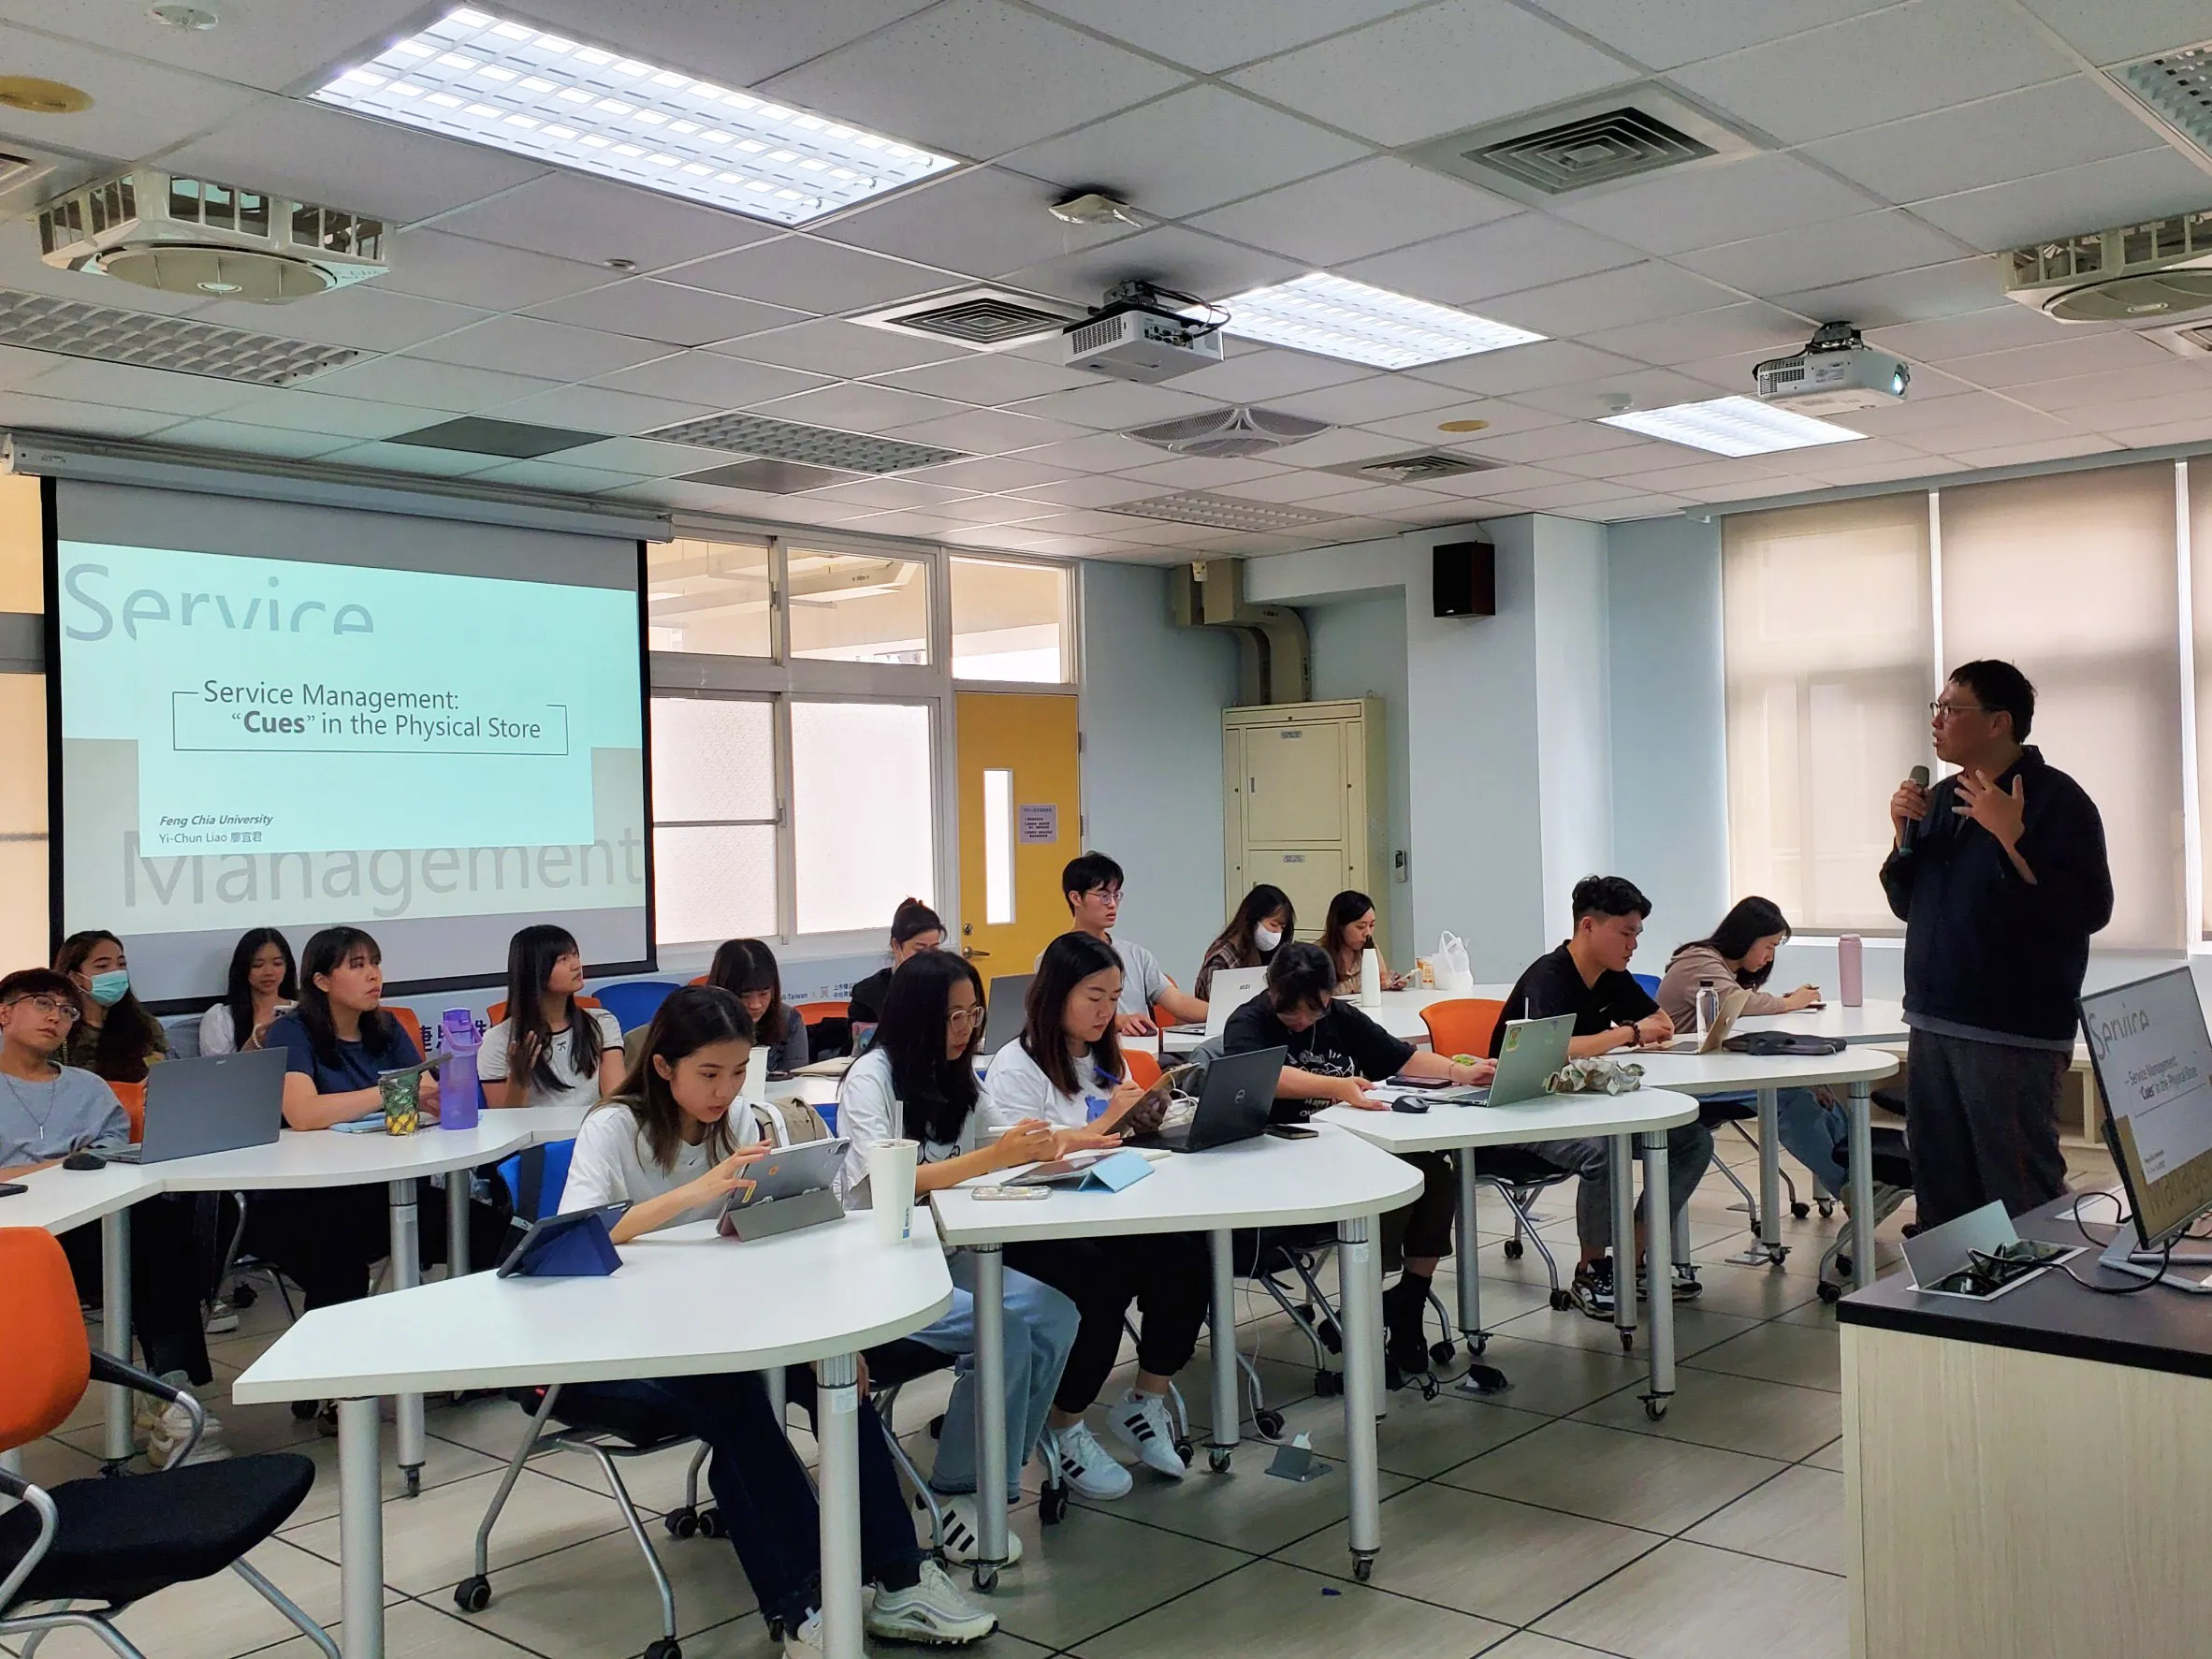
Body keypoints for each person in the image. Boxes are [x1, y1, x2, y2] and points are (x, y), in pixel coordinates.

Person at [562, 986, 995, 1655]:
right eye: (709, 1073)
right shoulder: (613, 1128)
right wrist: (696, 1192)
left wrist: (830, 1332)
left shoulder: (740, 1119)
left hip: (726, 1322)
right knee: (737, 1403)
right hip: (629, 1339)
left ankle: (902, 1581)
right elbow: (578, 1236)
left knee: (837, 1384)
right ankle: (804, 1607)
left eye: (739, 1071)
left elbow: (777, 1238)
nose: (725, 1090)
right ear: (663, 1067)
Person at [834, 950, 1078, 1563]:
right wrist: (995, 1157)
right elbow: (895, 1179)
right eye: (954, 1016)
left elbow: (1006, 1140)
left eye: (974, 1014)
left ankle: (1000, 1463)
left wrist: (1064, 1142)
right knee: (1006, 1331)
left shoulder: (959, 1075)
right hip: (878, 1264)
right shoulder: (871, 1078)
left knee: (1056, 1315)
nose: (967, 1028)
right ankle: (959, 1491)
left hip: (943, 1252)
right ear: (917, 1017)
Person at [1885, 660, 2112, 1228]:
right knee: (1940, 1184)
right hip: (1934, 1015)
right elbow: (1911, 906)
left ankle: (2045, 1288)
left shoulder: (2058, 799)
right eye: (1936, 708)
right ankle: (1956, 1286)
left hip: (2012, 1028)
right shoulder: (1941, 798)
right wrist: (1900, 836)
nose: (1937, 720)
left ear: (1997, 722)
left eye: (1951, 709)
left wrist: (2014, 836)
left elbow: (2089, 910)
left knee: (2020, 1187)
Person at [980, 930, 1202, 1497]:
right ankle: (1064, 1425)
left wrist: (1143, 1116)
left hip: (1105, 1205)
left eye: (1115, 997)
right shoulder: (1017, 1066)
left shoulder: (1102, 1054)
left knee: (1185, 1252)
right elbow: (1019, 1162)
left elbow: (1112, 1131)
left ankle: (1146, 1399)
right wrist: (1107, 1124)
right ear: (1056, 995)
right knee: (1102, 1281)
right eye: (1095, 997)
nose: (1107, 1011)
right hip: (1038, 1221)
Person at [1219, 942, 1493, 1380]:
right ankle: (1368, 1304)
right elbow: (1263, 1077)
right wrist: (1337, 1087)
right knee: (1386, 1186)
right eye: (1291, 1013)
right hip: (1280, 1156)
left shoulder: (1340, 1018)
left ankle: (1409, 1299)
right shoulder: (1247, 1022)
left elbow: (1401, 1056)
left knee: (1435, 1174)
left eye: (1314, 1010)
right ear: (1272, 992)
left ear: (1329, 996)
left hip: (1346, 1144)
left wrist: (1460, 1072)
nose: (1303, 1021)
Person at [0, 968, 220, 1467]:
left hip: (87, 1223)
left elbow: (112, 1157)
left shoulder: (89, 1088)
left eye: (67, 1011)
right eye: (42, 1003)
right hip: (13, 1235)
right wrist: (60, 1162)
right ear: (5, 1013)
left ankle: (170, 1389)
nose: (56, 1017)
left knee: (160, 1229)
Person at [1492, 876, 1715, 1320]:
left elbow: (1661, 1022)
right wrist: (1626, 1034)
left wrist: (1631, 1032)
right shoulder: (1549, 977)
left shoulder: (1611, 976)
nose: (1633, 945)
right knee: (1602, 1150)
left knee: (1692, 1141)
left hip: (1582, 1101)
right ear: (1589, 926)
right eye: (1625, 933)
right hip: (1523, 1109)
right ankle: (1591, 1269)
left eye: (1638, 934)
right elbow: (1549, 1050)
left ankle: (1632, 1257)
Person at [1654, 898, 1909, 1233]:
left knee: (1818, 1089)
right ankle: (1853, 1190)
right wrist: (1789, 1003)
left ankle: (1861, 1179)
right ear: (1746, 937)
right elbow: (1741, 1004)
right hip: (1688, 1081)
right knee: (1789, 1097)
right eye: (1769, 946)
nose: (1769, 957)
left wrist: (1784, 1004)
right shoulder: (1698, 960)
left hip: (1717, 1069)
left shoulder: (1725, 968)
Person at [1059, 851, 1205, 1038]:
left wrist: (1230, 1013)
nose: (1112, 904)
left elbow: (1179, 1003)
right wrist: (1119, 1021)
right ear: (1076, 898)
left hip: (1144, 1049)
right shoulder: (1056, 956)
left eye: (1116, 895)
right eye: (1104, 896)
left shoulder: (1137, 955)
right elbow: (1059, 1015)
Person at [480, 924, 623, 1110]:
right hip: (533, 1129)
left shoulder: (602, 1023)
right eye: (563, 959)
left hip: (595, 1126)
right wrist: (518, 1080)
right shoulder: (498, 1041)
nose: (576, 965)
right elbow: (503, 1122)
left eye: (575, 955)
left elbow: (615, 1103)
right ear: (535, 970)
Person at [53, 930, 167, 1083]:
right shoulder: (56, 1027)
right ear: (75, 977)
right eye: (102, 966)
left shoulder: (145, 1025)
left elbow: (157, 1075)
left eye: (121, 964)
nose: (116, 972)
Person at [708, 938, 809, 1074]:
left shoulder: (790, 1021)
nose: (755, 1005)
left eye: (764, 993)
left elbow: (796, 1077)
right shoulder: (698, 1023)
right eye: (744, 995)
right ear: (723, 989)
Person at [847, 897, 946, 1029]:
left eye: (934, 949)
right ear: (896, 946)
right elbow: (863, 1041)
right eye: (919, 950)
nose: (928, 957)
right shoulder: (867, 994)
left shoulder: (948, 986)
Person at [199, 927, 298, 1056]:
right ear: (243, 968)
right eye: (258, 965)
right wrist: (253, 1044)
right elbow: (216, 1068)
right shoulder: (221, 1018)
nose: (269, 972)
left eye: (277, 964)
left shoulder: (302, 1011)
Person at [1193, 884, 1294, 1002]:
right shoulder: (1221, 959)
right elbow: (1218, 1007)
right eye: (1273, 925)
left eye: (1282, 927)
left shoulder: (1270, 954)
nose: (1278, 933)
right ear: (1253, 920)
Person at [1318, 891, 1408, 994]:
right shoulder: (1317, 955)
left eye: (1371, 925)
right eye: (1360, 927)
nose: (1368, 933)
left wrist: (1392, 981)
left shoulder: (1368, 945)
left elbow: (1383, 977)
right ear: (1340, 926)